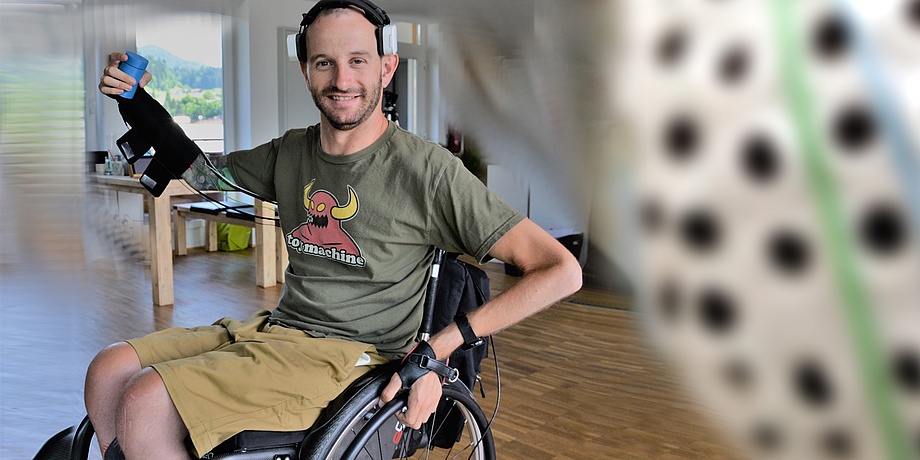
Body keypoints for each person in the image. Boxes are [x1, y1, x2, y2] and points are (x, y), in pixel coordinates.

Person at [91, 1, 582, 458]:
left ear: (386, 67)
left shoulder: (427, 170)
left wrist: (442, 346)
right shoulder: (290, 152)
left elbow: (560, 270)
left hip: (357, 356)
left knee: (146, 401)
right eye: (324, 62)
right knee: (108, 371)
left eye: (358, 61)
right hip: (277, 332)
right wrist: (137, 103)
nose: (342, 79)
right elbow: (199, 175)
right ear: (305, 70)